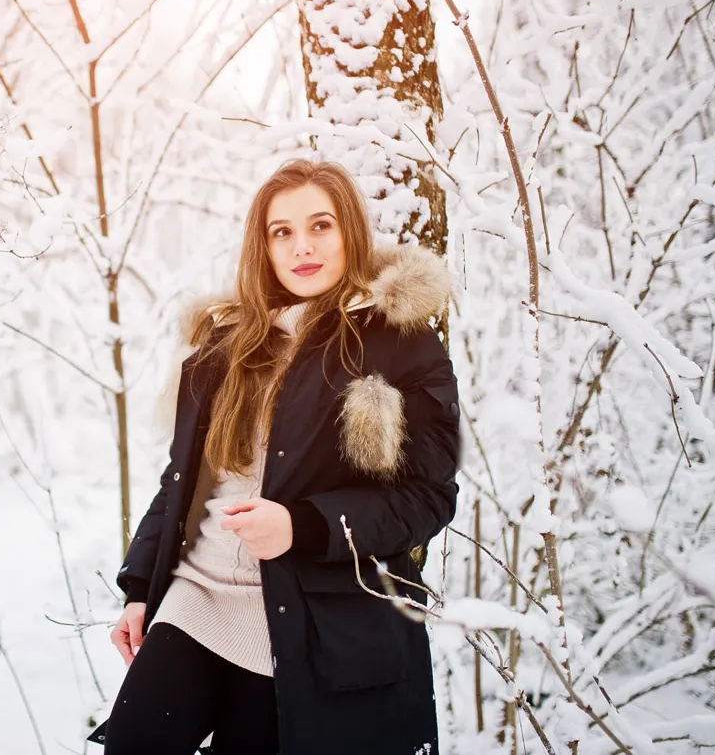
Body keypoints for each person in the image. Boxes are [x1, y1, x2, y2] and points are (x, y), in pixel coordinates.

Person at [85, 159, 461, 755]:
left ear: (350, 232)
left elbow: (427, 497)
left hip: (305, 619)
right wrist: (139, 587)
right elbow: (182, 480)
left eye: (321, 226)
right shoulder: (227, 342)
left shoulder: (398, 342)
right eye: (281, 231)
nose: (301, 247)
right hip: (196, 596)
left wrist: (302, 525)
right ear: (262, 246)